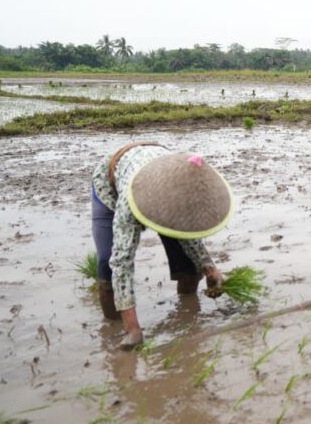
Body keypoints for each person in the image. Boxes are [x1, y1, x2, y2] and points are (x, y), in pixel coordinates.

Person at [91, 142, 233, 349]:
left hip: (160, 172)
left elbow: (189, 235)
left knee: (189, 265)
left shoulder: (182, 191)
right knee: (106, 264)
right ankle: (115, 327)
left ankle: (188, 313)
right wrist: (133, 329)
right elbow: (122, 261)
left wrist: (211, 270)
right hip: (111, 187)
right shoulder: (128, 204)